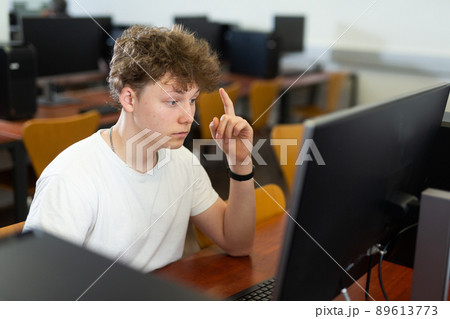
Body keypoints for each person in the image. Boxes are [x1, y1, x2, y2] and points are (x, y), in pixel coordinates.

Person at [23, 25, 256, 273]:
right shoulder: (71, 178)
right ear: (129, 99)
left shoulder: (182, 161)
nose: (189, 117)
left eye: (192, 100)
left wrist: (240, 163)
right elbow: (36, 286)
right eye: (172, 101)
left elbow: (238, 244)